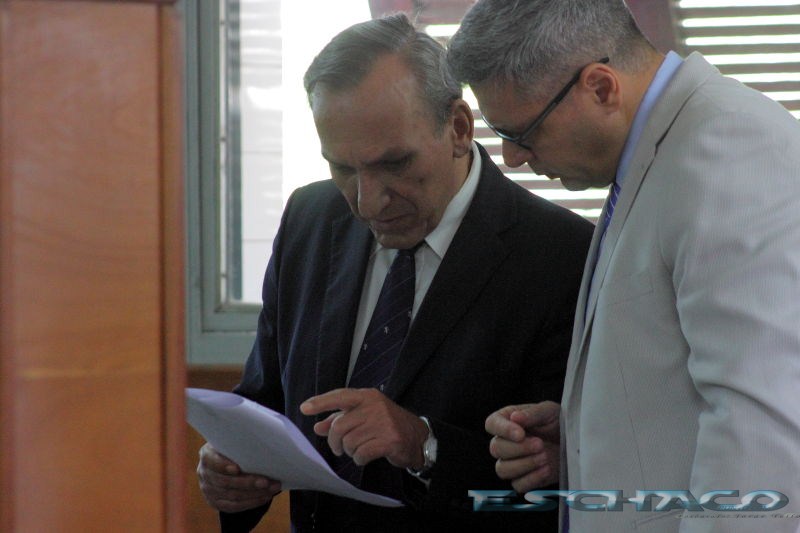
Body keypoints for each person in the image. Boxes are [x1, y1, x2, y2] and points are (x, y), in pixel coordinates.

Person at [196, 13, 593, 533]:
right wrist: (230, 471)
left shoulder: (562, 255)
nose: (367, 202)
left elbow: (557, 490)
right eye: (342, 168)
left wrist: (423, 444)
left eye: (394, 164)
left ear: (458, 128)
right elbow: (265, 399)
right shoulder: (309, 219)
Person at [447, 1, 800, 532]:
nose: (513, 157)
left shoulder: (728, 151)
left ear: (600, 87)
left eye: (520, 131)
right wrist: (589, 433)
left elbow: (761, 434)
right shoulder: (661, 153)